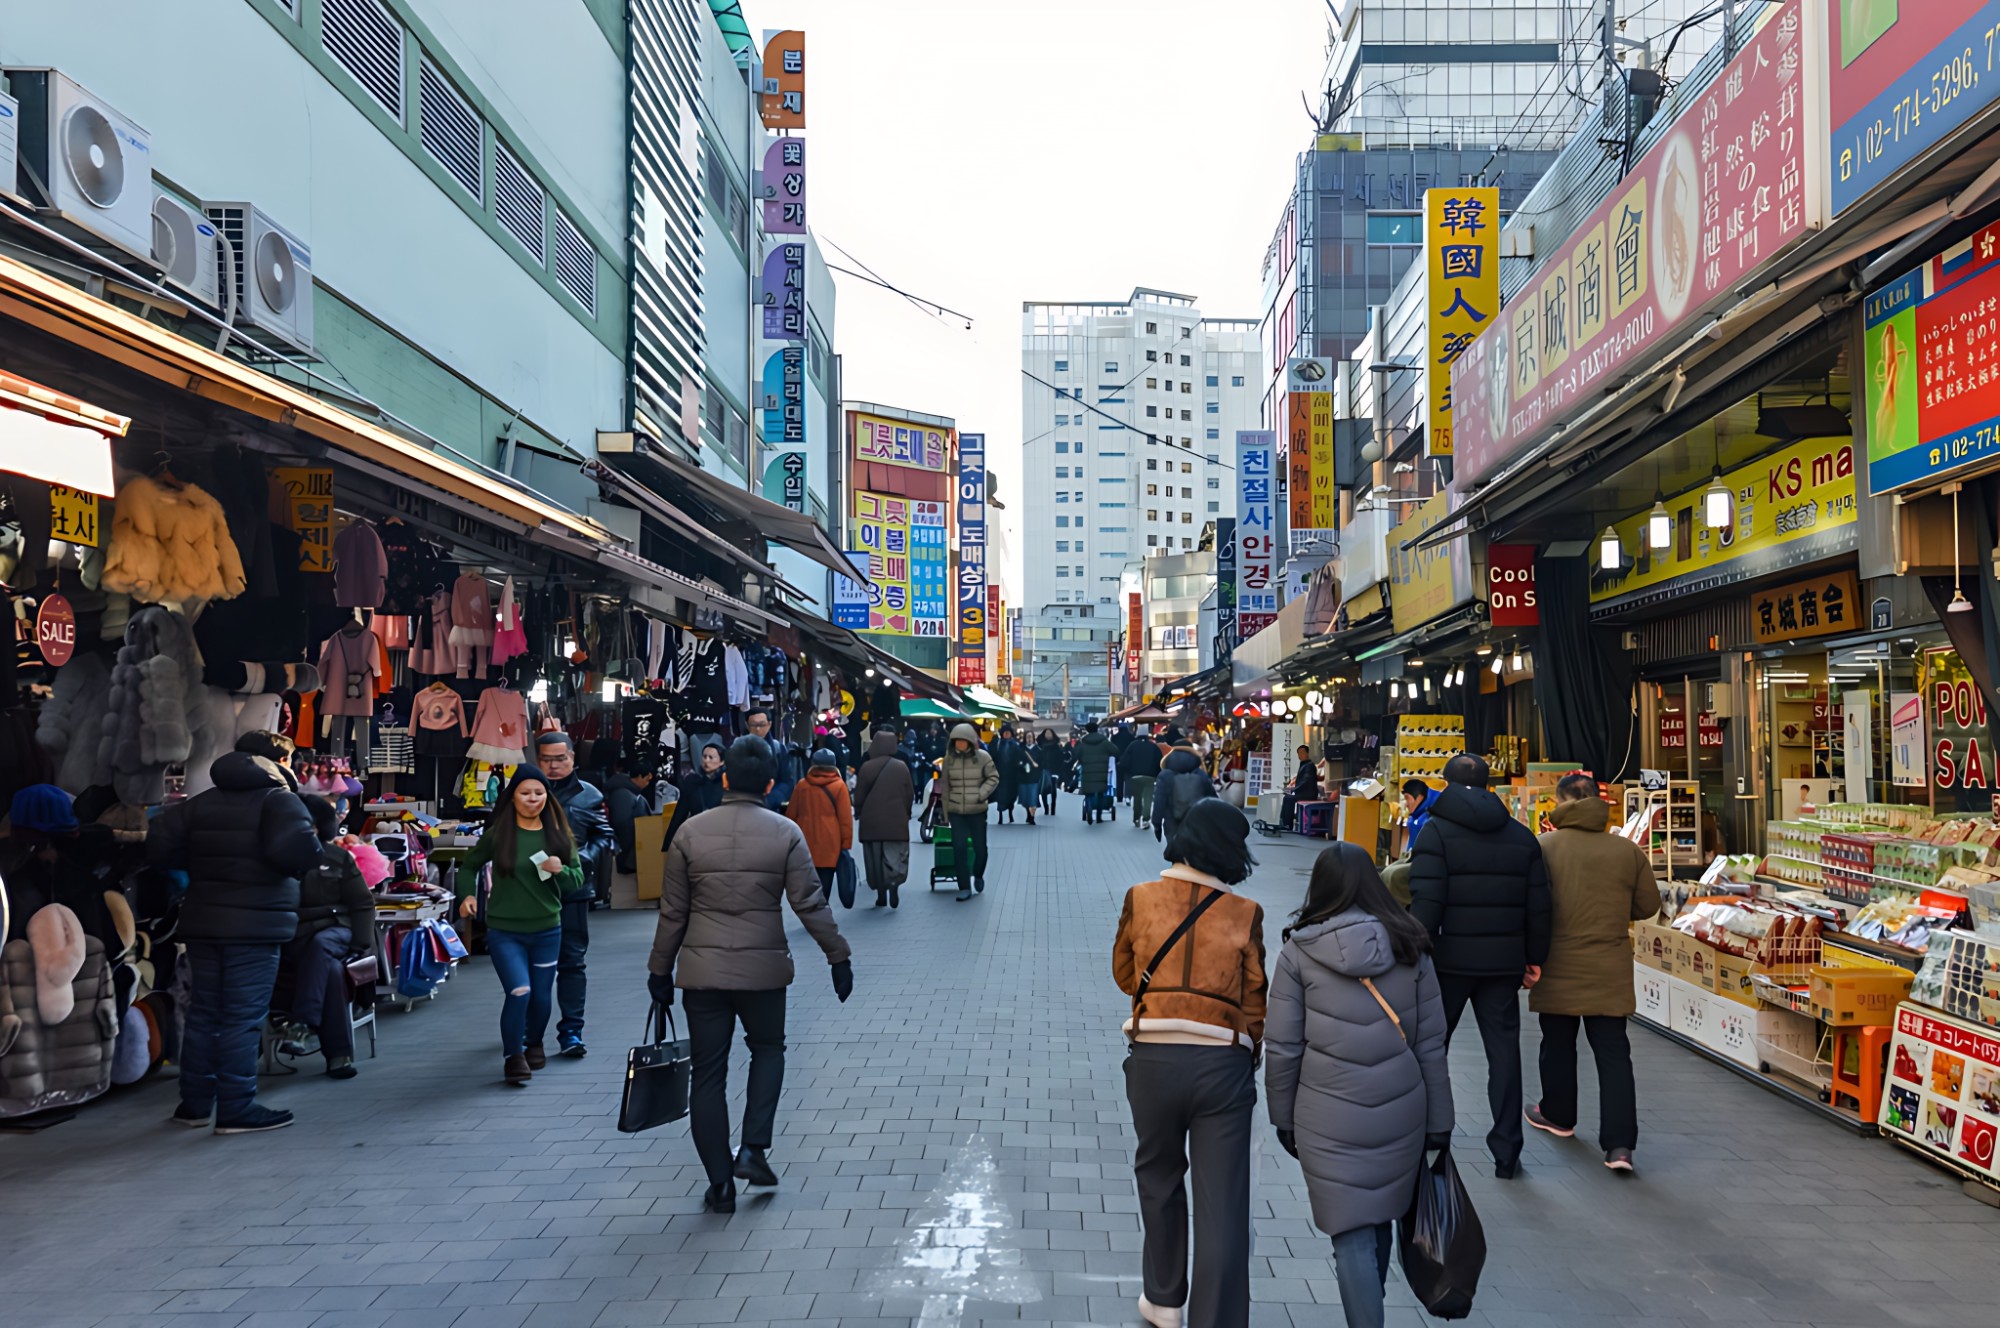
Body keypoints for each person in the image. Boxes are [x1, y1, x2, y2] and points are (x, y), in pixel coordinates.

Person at [647, 735, 853, 1213]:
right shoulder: (785, 833)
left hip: (702, 975)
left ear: (724, 778)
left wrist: (659, 971)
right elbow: (809, 903)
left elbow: (672, 913)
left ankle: (720, 1184)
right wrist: (837, 957)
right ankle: (754, 1148)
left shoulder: (689, 833)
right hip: (763, 972)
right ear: (768, 783)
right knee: (768, 1050)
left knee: (708, 1074)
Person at [1265, 843, 1454, 1328]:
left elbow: (1282, 1046)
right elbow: (1431, 1044)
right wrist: (1440, 1121)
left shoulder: (1298, 952)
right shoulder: (1411, 946)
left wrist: (1282, 1117)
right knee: (1382, 1212)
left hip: (1326, 1114)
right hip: (1401, 1109)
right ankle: (1371, 1308)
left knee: (1350, 1230)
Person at [1112, 799, 1267, 1328]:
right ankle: (1216, 1318)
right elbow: (1254, 1000)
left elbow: (1125, 974)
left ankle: (1162, 1301)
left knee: (1158, 1176)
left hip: (1153, 1057)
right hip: (1221, 1065)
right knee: (1222, 1200)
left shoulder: (1140, 898)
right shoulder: (1245, 913)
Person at [147, 733, 322, 1132]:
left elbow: (158, 846)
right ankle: (237, 1107)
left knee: (204, 1013)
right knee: (242, 1017)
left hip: (204, 922)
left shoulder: (199, 804)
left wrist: (200, 866)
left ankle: (194, 1105)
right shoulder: (278, 801)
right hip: (256, 926)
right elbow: (300, 851)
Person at [1407, 753, 1551, 1178]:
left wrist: (1414, 954)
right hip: (1503, 964)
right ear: (1489, 785)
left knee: (1432, 1049)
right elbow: (1539, 905)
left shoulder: (1435, 832)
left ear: (1445, 784)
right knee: (1504, 1053)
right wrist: (1534, 957)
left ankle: (1432, 1139)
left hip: (1447, 962)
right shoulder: (1521, 836)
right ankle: (1507, 1152)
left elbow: (1427, 902)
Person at [1527, 773, 1663, 1172]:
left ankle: (1558, 1115)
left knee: (1557, 1043)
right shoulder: (1627, 851)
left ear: (1561, 802)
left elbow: (1531, 905)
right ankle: (1619, 1146)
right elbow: (1647, 905)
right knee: (1614, 1053)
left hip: (1558, 962)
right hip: (1609, 964)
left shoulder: (1544, 847)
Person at [455, 766, 585, 1085]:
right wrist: (466, 896)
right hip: (505, 931)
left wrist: (560, 871)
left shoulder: (558, 836)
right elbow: (468, 866)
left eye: (539, 793)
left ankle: (534, 1043)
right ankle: (513, 1056)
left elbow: (577, 881)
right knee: (519, 990)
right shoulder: (499, 834)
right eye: (525, 793)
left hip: (547, 930)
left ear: (547, 797)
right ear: (512, 797)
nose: (532, 798)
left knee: (541, 996)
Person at [282, 794, 378, 1080]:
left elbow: (362, 904)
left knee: (323, 944)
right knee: (333, 972)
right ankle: (338, 1055)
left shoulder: (337, 857)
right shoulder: (279, 859)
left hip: (338, 930)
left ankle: (303, 1023)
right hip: (297, 936)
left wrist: (360, 944)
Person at [535, 732, 617, 1057]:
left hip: (573, 889)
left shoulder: (589, 795)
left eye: (560, 758)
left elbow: (605, 836)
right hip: (530, 891)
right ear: (538, 760)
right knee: (531, 964)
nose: (554, 765)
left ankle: (571, 1031)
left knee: (571, 961)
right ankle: (528, 1031)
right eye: (547, 759)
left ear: (572, 758)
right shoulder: (525, 791)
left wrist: (581, 859)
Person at [853, 729, 914, 908]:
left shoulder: (867, 767)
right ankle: (893, 884)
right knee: (894, 857)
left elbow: (859, 795)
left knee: (875, 860)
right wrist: (906, 813)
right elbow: (909, 793)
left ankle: (881, 894)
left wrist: (858, 811)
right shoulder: (901, 767)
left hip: (871, 823)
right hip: (896, 822)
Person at [938, 723, 999, 901]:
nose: (960, 744)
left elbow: (993, 777)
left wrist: (981, 794)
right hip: (956, 810)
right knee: (959, 848)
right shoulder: (948, 760)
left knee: (980, 849)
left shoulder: (983, 757)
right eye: (956, 741)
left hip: (977, 810)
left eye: (963, 741)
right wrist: (945, 812)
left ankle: (978, 874)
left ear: (970, 741)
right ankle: (964, 886)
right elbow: (945, 786)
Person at [787, 748, 855, 907]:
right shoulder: (839, 786)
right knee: (825, 884)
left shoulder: (802, 786)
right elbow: (845, 819)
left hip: (805, 845)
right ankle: (821, 910)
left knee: (809, 884)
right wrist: (845, 845)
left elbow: (791, 815)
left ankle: (811, 909)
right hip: (830, 846)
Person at [1153, 734, 1217, 846]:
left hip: (1172, 822)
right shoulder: (1200, 774)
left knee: (1174, 851)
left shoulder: (1165, 775)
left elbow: (1159, 800)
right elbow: (1212, 798)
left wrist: (1157, 824)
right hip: (1196, 822)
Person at [663, 741, 726, 853]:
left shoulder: (726, 784)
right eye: (704, 757)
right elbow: (680, 813)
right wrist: (668, 843)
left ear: (721, 762)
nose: (706, 761)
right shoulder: (693, 782)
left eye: (711, 757)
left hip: (720, 837)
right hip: (697, 836)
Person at [603, 760, 658, 875]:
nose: (647, 784)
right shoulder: (623, 794)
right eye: (647, 780)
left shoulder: (629, 792)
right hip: (629, 851)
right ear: (639, 776)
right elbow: (622, 824)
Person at [1123, 726, 1164, 832]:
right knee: (1147, 798)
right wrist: (1157, 774)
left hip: (1135, 776)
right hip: (1150, 776)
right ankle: (1146, 819)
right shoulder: (1153, 746)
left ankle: (1136, 818)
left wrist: (1128, 772)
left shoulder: (1132, 745)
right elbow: (1159, 761)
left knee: (1137, 797)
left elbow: (1125, 761)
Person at [990, 724, 1032, 826]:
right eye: (1005, 733)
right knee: (1000, 796)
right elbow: (992, 755)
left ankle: (1010, 813)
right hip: (1000, 774)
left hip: (1012, 775)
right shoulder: (998, 744)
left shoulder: (1015, 745)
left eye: (1008, 733)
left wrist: (1021, 766)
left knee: (1011, 796)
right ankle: (1000, 816)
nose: (1006, 734)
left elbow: (1021, 757)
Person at [1076, 722, 1116, 824]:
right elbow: (1116, 751)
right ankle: (1098, 816)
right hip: (1102, 772)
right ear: (1097, 729)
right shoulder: (1105, 742)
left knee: (1088, 793)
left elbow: (1075, 754)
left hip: (1087, 772)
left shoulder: (1083, 743)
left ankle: (1089, 809)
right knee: (1100, 794)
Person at [1281, 745, 1321, 832]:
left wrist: (1292, 789)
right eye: (1299, 753)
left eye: (1302, 752)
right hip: (1304, 792)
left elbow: (1305, 781)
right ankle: (1284, 823)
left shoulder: (1309, 765)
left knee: (1288, 799)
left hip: (1308, 794)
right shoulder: (1305, 765)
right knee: (1287, 798)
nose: (1300, 755)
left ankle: (1287, 824)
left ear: (1307, 753)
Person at [1033, 729, 1066, 815]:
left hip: (1054, 770)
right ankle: (1046, 807)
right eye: (1046, 733)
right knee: (1044, 790)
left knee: (1053, 789)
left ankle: (1053, 807)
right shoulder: (1040, 745)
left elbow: (1060, 758)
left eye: (1049, 733)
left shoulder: (1056, 746)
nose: (1048, 735)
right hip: (1044, 770)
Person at [1401, 778, 1438, 845]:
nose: (1406, 804)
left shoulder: (1431, 820)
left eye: (1407, 798)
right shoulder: (1413, 819)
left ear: (1419, 798)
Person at [1110, 724, 1136, 805]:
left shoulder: (1115, 737)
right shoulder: (1131, 737)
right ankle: (1128, 796)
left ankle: (1119, 797)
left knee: (1119, 779)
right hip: (1129, 761)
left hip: (1118, 761)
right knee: (1128, 779)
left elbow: (1112, 749)